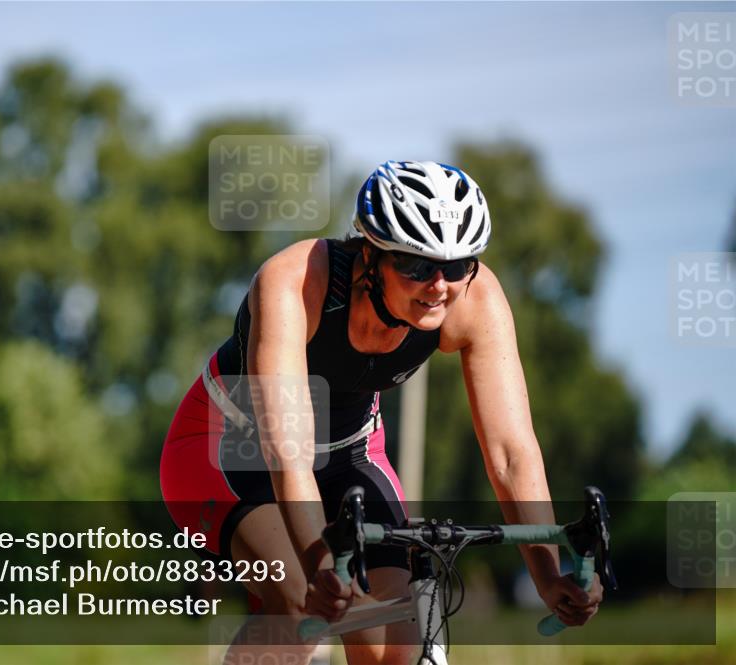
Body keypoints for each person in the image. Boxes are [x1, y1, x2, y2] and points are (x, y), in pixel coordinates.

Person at [160, 160, 603, 664]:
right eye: (416, 266)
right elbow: (287, 450)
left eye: (456, 266)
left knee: (397, 643)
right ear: (370, 254)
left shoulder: (473, 299)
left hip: (350, 457)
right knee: (301, 601)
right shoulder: (296, 281)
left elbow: (511, 454)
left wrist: (547, 575)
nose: (439, 285)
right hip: (228, 451)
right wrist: (320, 560)